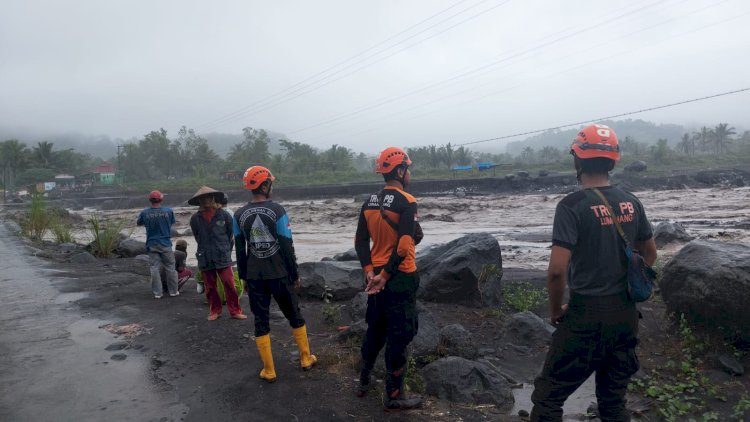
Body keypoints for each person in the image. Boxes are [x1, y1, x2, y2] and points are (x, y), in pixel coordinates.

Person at [530, 124, 657, 422]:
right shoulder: (631, 200)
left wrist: (555, 310)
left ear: (578, 160)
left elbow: (557, 272)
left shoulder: (571, 206)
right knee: (613, 403)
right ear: (612, 161)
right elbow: (650, 253)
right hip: (626, 315)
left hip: (586, 315)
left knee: (548, 398)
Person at [354, 147, 423, 411]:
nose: (410, 173)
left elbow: (360, 241)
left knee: (375, 330)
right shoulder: (407, 201)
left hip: (376, 279)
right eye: (408, 168)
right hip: (400, 277)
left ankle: (363, 382)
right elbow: (404, 246)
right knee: (399, 336)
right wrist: (385, 275)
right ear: (400, 170)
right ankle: (394, 396)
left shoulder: (369, 202)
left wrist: (370, 271)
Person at [234, 166, 316, 383]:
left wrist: (244, 276)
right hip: (280, 275)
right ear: (264, 185)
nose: (272, 186)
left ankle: (269, 370)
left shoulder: (238, 215)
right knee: (294, 315)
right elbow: (287, 245)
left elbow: (240, 250)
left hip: (254, 277)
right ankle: (306, 359)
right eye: (270, 183)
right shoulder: (278, 211)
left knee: (261, 321)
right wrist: (294, 273)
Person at [189, 186, 247, 321]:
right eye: (202, 198)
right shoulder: (195, 219)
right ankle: (215, 311)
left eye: (209, 197)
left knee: (229, 283)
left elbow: (229, 234)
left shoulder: (224, 215)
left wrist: (223, 248)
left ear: (214, 198)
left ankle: (235, 311)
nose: (206, 200)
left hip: (222, 255)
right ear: (199, 201)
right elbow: (198, 237)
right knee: (210, 286)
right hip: (205, 256)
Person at [137, 190, 178, 299]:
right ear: (161, 199)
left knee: (154, 268)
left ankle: (158, 293)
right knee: (170, 267)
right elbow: (172, 222)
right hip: (165, 243)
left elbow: (139, 223)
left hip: (152, 243)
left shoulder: (145, 213)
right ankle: (173, 291)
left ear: (150, 200)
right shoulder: (169, 211)